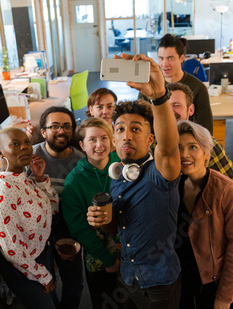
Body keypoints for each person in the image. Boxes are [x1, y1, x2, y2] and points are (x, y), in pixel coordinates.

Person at [88, 53, 182, 308]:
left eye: (136, 129)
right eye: (119, 129)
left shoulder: (160, 172)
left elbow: (170, 148)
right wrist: (105, 222)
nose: (126, 135)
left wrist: (159, 96)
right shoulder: (117, 175)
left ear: (150, 140)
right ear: (113, 140)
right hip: (127, 279)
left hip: (159, 285)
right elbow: (119, 227)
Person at [167, 82, 233, 253]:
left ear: (190, 110)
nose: (171, 111)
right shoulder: (154, 145)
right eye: (167, 105)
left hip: (202, 228)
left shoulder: (205, 144)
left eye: (177, 105)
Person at [176, 120, 233, 309]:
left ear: (207, 154)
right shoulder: (173, 186)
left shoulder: (227, 191)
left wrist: (224, 297)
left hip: (212, 282)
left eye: (193, 147)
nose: (184, 154)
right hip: (180, 279)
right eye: (179, 148)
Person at [0, 127, 58, 308]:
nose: (25, 148)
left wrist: (40, 178)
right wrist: (43, 275)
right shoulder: (3, 192)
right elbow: (13, 249)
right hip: (26, 268)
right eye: (15, 144)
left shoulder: (22, 177)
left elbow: (53, 208)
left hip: (41, 255)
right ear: (1, 153)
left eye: (27, 142)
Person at [28, 106, 85, 309]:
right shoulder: (30, 158)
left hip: (68, 225)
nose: (61, 131)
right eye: (55, 126)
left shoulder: (81, 161)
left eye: (67, 126)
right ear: (43, 132)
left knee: (74, 283)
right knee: (43, 284)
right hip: (35, 228)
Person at [62, 117, 122, 309]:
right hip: (100, 254)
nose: (99, 145)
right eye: (92, 140)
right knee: (105, 301)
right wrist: (108, 259)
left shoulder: (124, 163)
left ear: (112, 140)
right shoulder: (74, 181)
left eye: (104, 138)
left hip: (131, 249)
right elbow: (79, 229)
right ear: (82, 145)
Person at [141, 33, 213, 134]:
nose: (164, 64)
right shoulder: (150, 86)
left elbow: (206, 131)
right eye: (161, 58)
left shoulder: (198, 88)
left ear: (181, 58)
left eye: (170, 58)